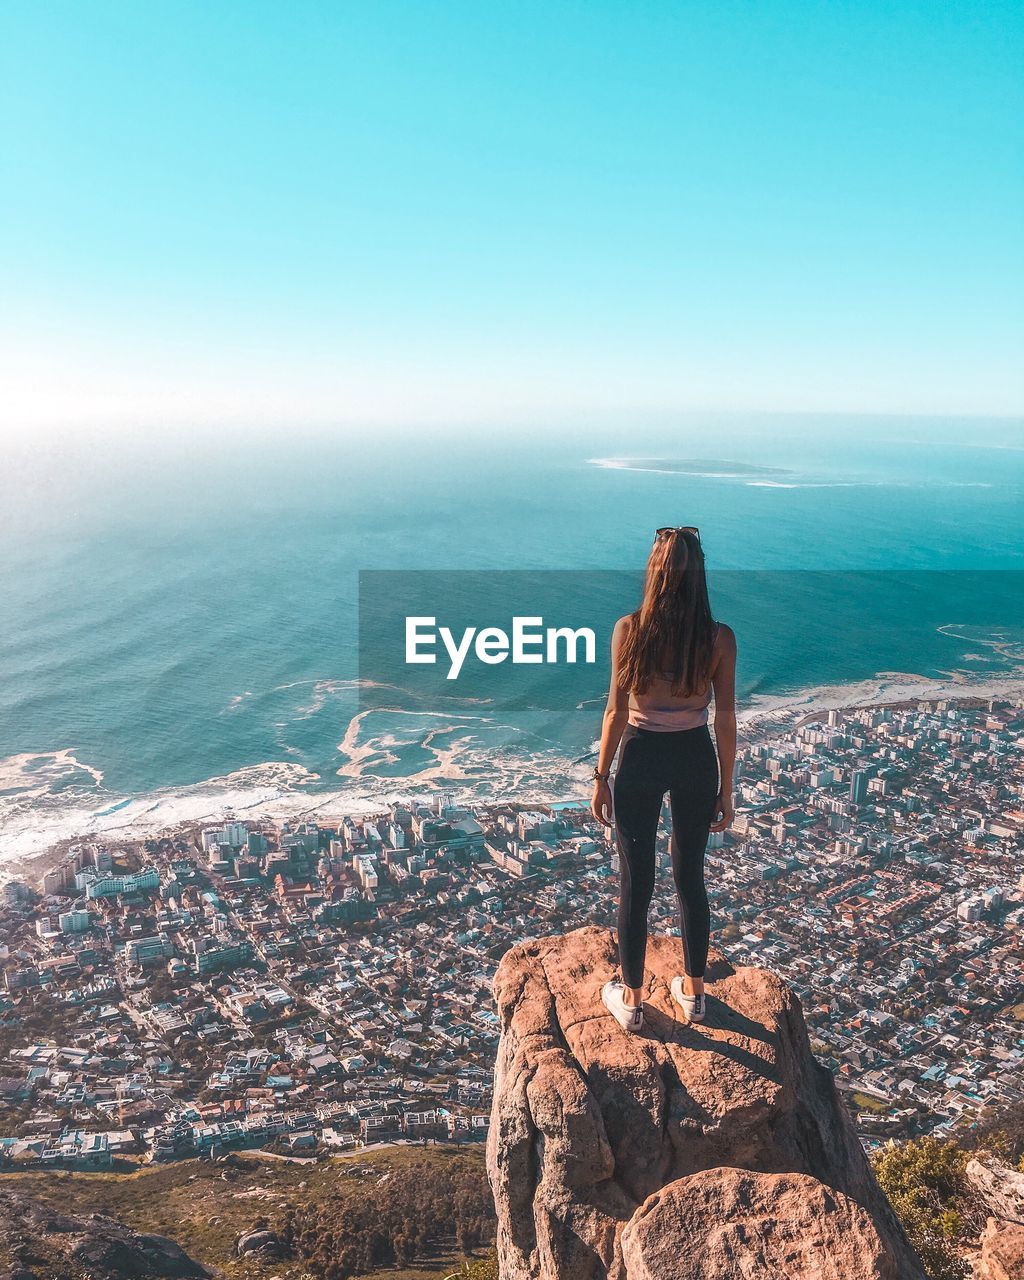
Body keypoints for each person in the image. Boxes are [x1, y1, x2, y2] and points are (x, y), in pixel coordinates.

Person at [591, 525, 736, 1031]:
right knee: (690, 877)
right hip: (695, 757)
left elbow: (614, 711)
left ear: (654, 572)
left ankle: (630, 1001)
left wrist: (600, 776)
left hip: (640, 756)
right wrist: (727, 790)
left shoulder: (629, 631)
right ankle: (694, 995)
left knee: (637, 884)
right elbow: (724, 720)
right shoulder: (718, 638)